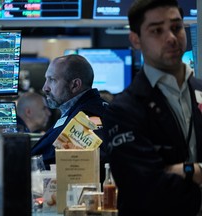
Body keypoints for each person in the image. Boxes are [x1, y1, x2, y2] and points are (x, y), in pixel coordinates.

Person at [103, 0, 202, 215]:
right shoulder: (122, 110)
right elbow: (145, 189)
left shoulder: (200, 91)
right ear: (136, 40)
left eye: (176, 27)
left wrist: (186, 171)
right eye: (157, 30)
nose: (171, 38)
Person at [31, 54, 109, 182]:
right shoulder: (75, 111)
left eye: (52, 80)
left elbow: (67, 164)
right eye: (46, 79)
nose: (45, 88)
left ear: (75, 85)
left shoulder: (88, 117)